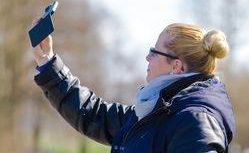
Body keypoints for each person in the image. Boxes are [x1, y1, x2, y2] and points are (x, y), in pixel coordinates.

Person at [31, 22, 235, 153]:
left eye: (155, 52)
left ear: (177, 66)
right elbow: (94, 114)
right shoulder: (153, 112)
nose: (148, 57)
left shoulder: (195, 122)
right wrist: (48, 64)